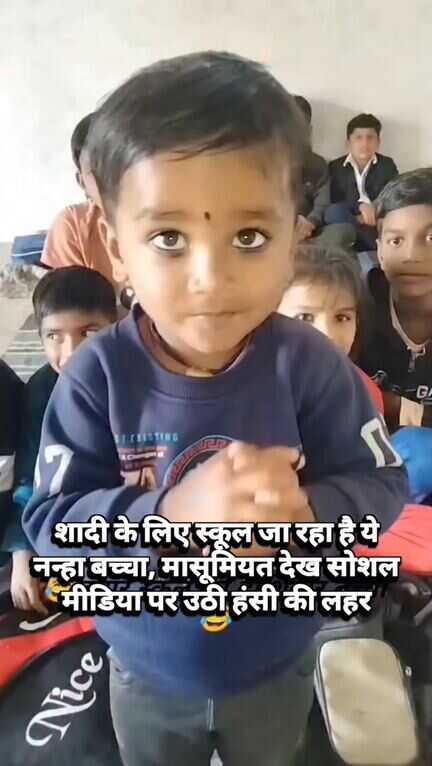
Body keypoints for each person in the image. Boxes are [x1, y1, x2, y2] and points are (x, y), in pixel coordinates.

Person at [23, 52, 407, 766]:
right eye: (168, 238)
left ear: (295, 236)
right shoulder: (96, 377)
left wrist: (308, 516)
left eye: (249, 237)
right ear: (116, 245)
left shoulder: (313, 367)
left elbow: (383, 487)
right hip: (143, 664)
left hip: (277, 656)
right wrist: (168, 518)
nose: (210, 277)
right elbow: (51, 527)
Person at [278, 244, 432, 572]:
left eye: (342, 317)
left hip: (347, 512)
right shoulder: (253, 391)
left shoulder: (358, 386)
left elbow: (373, 479)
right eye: (304, 317)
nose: (327, 334)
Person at [10, 266, 117, 611]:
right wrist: (22, 555)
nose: (72, 352)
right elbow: (29, 479)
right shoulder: (41, 391)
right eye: (55, 336)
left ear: (117, 325)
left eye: (89, 331)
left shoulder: (139, 380)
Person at [356, 168, 432, 432]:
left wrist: (395, 406)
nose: (411, 255)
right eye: (396, 240)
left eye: (431, 238)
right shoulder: (352, 307)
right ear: (379, 250)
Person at [40, 114, 116, 285]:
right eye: (96, 170)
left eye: (120, 164)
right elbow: (73, 299)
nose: (111, 178)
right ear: (82, 182)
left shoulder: (166, 216)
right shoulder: (72, 225)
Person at [325, 113, 398, 251]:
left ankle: (362, 246)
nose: (365, 143)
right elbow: (334, 199)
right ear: (348, 143)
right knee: (333, 212)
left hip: (376, 220)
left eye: (370, 137)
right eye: (358, 137)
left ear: (378, 142)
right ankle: (375, 247)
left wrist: (374, 208)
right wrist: (360, 208)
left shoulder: (387, 165)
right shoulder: (335, 167)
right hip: (349, 219)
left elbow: (393, 196)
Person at [294, 96, 355, 251]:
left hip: (310, 230)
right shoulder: (264, 162)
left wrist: (310, 222)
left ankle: (303, 251)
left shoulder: (318, 164)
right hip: (277, 228)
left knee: (344, 231)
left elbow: (322, 202)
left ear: (309, 130)